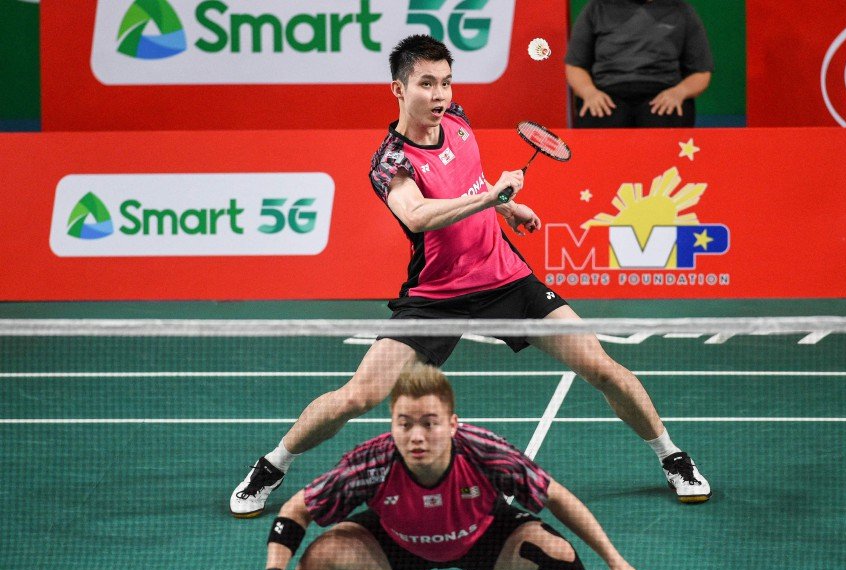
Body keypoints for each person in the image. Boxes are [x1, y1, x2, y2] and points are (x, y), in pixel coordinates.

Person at [231, 34, 709, 519]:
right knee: (360, 394)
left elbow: (473, 183)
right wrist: (493, 199)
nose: (439, 95)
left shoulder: (457, 119)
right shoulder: (390, 161)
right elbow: (417, 216)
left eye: (446, 82)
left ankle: (673, 457)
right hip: (437, 296)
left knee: (602, 367)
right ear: (398, 89)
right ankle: (272, 465)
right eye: (426, 84)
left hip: (505, 278)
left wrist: (509, 208)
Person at [253, 364, 650, 570]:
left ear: (452, 424)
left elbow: (557, 497)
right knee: (316, 561)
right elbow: (297, 509)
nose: (417, 436)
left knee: (560, 557)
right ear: (392, 424)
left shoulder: (483, 451)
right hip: (397, 544)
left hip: (483, 539)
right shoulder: (372, 462)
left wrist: (613, 559)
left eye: (429, 423)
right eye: (404, 424)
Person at [565, 0, 714, 128]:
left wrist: (679, 92)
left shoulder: (681, 10)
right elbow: (575, 65)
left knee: (662, 124)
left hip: (663, 91)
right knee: (601, 122)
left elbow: (701, 72)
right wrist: (589, 92)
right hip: (607, 92)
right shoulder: (597, 7)